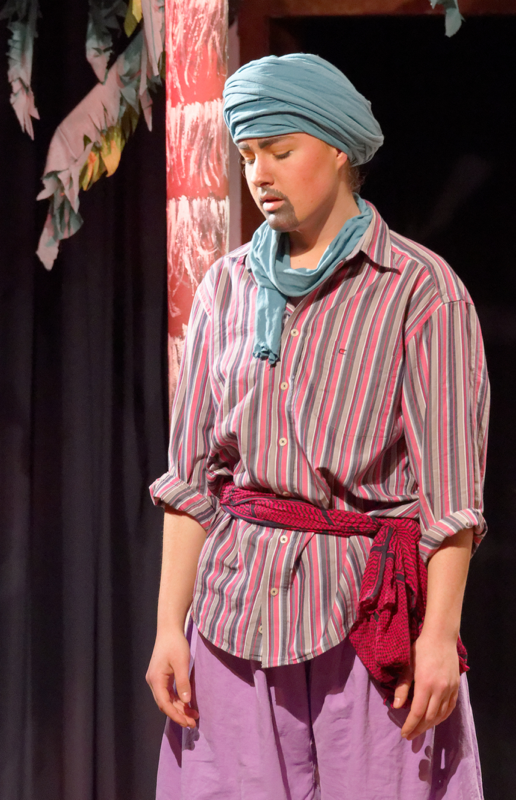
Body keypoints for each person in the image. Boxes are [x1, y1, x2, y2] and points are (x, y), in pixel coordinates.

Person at [146, 54, 489, 800]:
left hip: (369, 617)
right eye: (247, 155)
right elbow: (192, 479)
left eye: (280, 150)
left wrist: (438, 637)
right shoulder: (226, 287)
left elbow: (452, 499)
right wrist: (170, 626)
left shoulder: (421, 291)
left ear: (339, 149)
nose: (260, 174)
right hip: (236, 611)